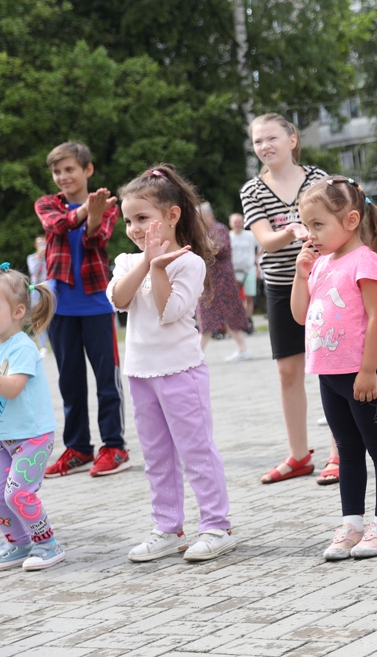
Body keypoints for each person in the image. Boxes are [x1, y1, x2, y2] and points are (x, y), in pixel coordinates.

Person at [108, 166, 237, 563]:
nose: (134, 227)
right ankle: (167, 527)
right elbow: (117, 300)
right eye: (129, 220)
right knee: (156, 456)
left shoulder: (190, 263)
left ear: (172, 216)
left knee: (196, 451)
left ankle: (217, 526)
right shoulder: (129, 260)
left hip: (181, 371)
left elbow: (169, 312)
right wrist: (147, 263)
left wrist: (160, 266)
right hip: (140, 374)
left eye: (143, 218)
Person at [292, 176, 377, 560]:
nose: (311, 235)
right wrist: (301, 274)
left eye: (318, 225)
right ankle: (352, 523)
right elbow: (301, 316)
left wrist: (369, 369)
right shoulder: (320, 264)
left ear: (352, 220)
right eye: (307, 226)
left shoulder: (365, 260)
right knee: (348, 452)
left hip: (361, 374)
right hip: (328, 375)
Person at [239, 113, 339, 485]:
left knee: (331, 366)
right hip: (281, 285)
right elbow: (264, 239)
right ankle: (299, 455)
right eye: (258, 141)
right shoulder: (252, 190)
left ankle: (338, 452)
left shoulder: (319, 179)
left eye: (272, 138)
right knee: (288, 371)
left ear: (292, 140)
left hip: (325, 282)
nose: (265, 146)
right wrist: (293, 230)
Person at [34, 141, 130, 478]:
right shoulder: (46, 204)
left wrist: (95, 213)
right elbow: (58, 225)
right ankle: (77, 448)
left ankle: (114, 447)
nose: (62, 176)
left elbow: (95, 240)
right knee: (69, 381)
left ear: (87, 170)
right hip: (60, 308)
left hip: (97, 304)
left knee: (107, 381)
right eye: (57, 171)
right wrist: (86, 211)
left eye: (69, 169)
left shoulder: (107, 207)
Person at [0, 266, 65, 570]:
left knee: (18, 494)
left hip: (32, 437)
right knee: (1, 494)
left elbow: (12, 388)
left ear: (18, 311)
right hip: (5, 438)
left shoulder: (22, 347)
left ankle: (48, 545)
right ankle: (18, 543)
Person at [196, 204, 253, 361]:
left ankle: (199, 353)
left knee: (229, 314)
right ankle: (199, 352)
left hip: (222, 281)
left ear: (208, 216)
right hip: (208, 281)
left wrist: (203, 244)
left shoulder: (219, 229)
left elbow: (222, 250)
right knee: (205, 314)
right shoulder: (200, 232)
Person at [228, 213, 260, 324]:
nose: (237, 224)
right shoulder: (228, 236)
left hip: (249, 268)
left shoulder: (250, 235)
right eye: (235, 221)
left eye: (239, 221)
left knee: (249, 296)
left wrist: (257, 260)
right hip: (234, 270)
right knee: (235, 297)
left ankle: (247, 320)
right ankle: (237, 319)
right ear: (230, 223)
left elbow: (262, 245)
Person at [25, 237, 49, 354]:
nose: (42, 246)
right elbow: (34, 272)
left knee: (53, 316)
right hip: (36, 290)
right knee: (38, 318)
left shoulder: (50, 257)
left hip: (49, 289)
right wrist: (39, 258)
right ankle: (43, 346)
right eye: (40, 244)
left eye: (44, 243)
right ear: (36, 245)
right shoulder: (31, 258)